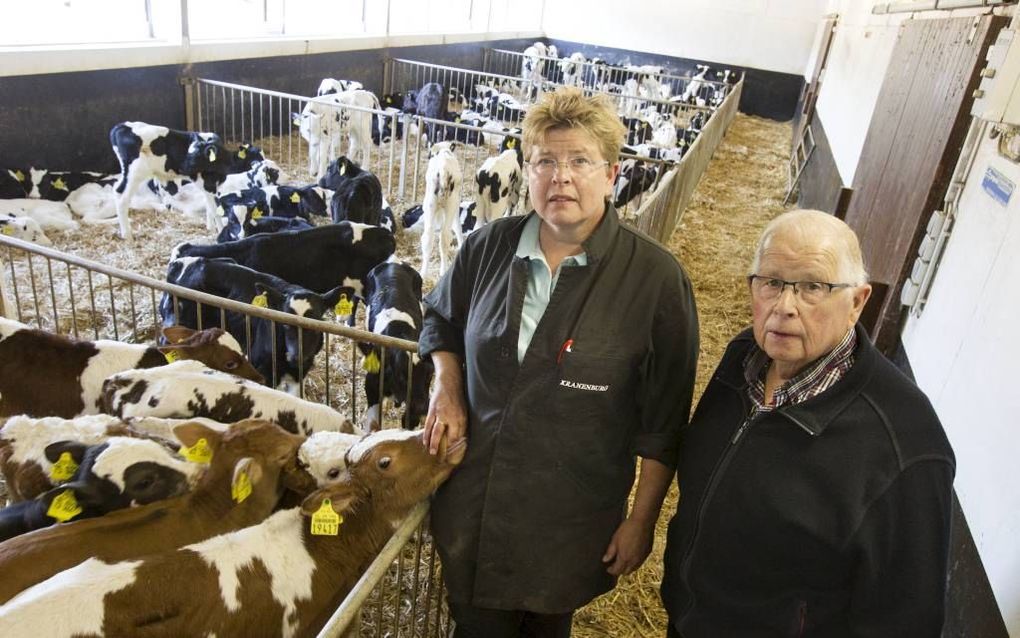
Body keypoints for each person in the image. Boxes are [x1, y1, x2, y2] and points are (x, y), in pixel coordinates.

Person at [419, 86, 699, 638]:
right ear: (526, 170)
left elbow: (664, 422)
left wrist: (640, 521)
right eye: (544, 160)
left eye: (579, 161)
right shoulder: (487, 248)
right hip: (477, 502)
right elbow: (440, 321)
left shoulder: (657, 281)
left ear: (611, 174)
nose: (560, 177)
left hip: (570, 518)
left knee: (546, 625)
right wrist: (446, 387)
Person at [660, 209, 955, 637]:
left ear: (857, 301)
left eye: (812, 287)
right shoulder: (743, 359)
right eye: (772, 282)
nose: (784, 307)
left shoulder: (904, 446)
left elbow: (906, 618)